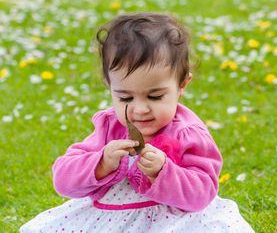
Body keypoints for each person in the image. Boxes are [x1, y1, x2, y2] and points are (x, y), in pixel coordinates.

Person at [20, 13, 254, 232]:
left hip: (171, 222)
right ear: (109, 86)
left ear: (182, 85)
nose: (140, 109)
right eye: (125, 97)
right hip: (110, 218)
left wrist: (164, 172)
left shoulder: (187, 133)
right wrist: (102, 162)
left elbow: (202, 193)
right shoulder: (110, 127)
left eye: (155, 96)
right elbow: (63, 180)